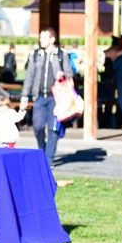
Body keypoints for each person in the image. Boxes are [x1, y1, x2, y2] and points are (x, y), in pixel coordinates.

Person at [21, 27, 72, 165]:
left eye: (43, 37)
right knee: (37, 127)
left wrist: (62, 76)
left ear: (52, 40)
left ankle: (48, 159)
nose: (40, 40)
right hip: (39, 97)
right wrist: (24, 96)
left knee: (53, 128)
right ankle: (41, 151)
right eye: (40, 37)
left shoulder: (62, 55)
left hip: (56, 98)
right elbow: (29, 76)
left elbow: (69, 74)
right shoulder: (36, 54)